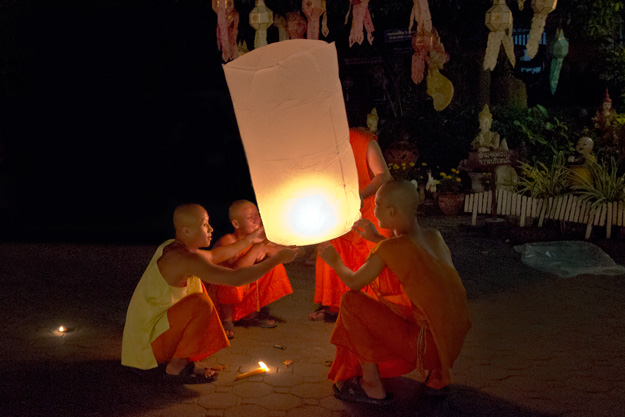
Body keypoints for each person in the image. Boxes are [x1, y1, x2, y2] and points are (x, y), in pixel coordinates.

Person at [319, 180, 471, 404]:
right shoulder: (434, 236)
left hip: (423, 347)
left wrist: (335, 261)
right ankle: (438, 377)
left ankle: (371, 384)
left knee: (351, 302)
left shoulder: (391, 247)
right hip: (450, 343)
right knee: (429, 305)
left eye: (377, 204)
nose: (373, 209)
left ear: (391, 211)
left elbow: (354, 282)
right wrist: (376, 240)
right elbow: (415, 264)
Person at [121, 203, 298, 383]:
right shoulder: (184, 259)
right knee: (201, 302)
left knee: (200, 294)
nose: (211, 229)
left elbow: (214, 256)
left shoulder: (173, 247)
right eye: (205, 224)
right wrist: (277, 259)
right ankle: (176, 366)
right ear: (187, 231)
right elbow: (235, 278)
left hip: (149, 337)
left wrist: (251, 238)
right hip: (146, 349)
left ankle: (178, 358)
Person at [311, 127, 392, 320]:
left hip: (369, 205)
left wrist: (361, 195)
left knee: (377, 250)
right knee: (331, 246)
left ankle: (374, 304)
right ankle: (335, 306)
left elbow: (383, 176)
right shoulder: (321, 140)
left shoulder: (362, 140)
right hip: (338, 206)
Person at [208, 200, 293, 339]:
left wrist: (266, 248)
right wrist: (257, 248)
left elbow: (287, 256)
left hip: (242, 289)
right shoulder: (228, 240)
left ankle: (248, 314)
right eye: (250, 217)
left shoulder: (262, 237)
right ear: (236, 224)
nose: (256, 220)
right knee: (229, 276)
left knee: (274, 266)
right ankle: (226, 320)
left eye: (257, 215)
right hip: (222, 296)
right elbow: (238, 271)